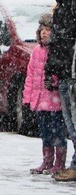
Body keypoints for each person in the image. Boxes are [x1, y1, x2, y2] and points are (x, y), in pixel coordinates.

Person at [23, 14, 67, 175]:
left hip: (54, 102)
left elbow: (60, 72)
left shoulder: (57, 51)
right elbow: (31, 77)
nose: (44, 33)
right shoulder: (36, 51)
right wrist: (28, 98)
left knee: (58, 133)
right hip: (40, 101)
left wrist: (54, 83)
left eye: (48, 30)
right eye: (42, 29)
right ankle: (47, 161)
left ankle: (59, 162)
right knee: (45, 133)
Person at [44, 0, 76, 182]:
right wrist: (50, 70)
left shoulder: (72, 7)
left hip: (73, 74)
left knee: (74, 122)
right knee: (70, 124)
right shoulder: (60, 8)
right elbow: (56, 44)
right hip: (64, 75)